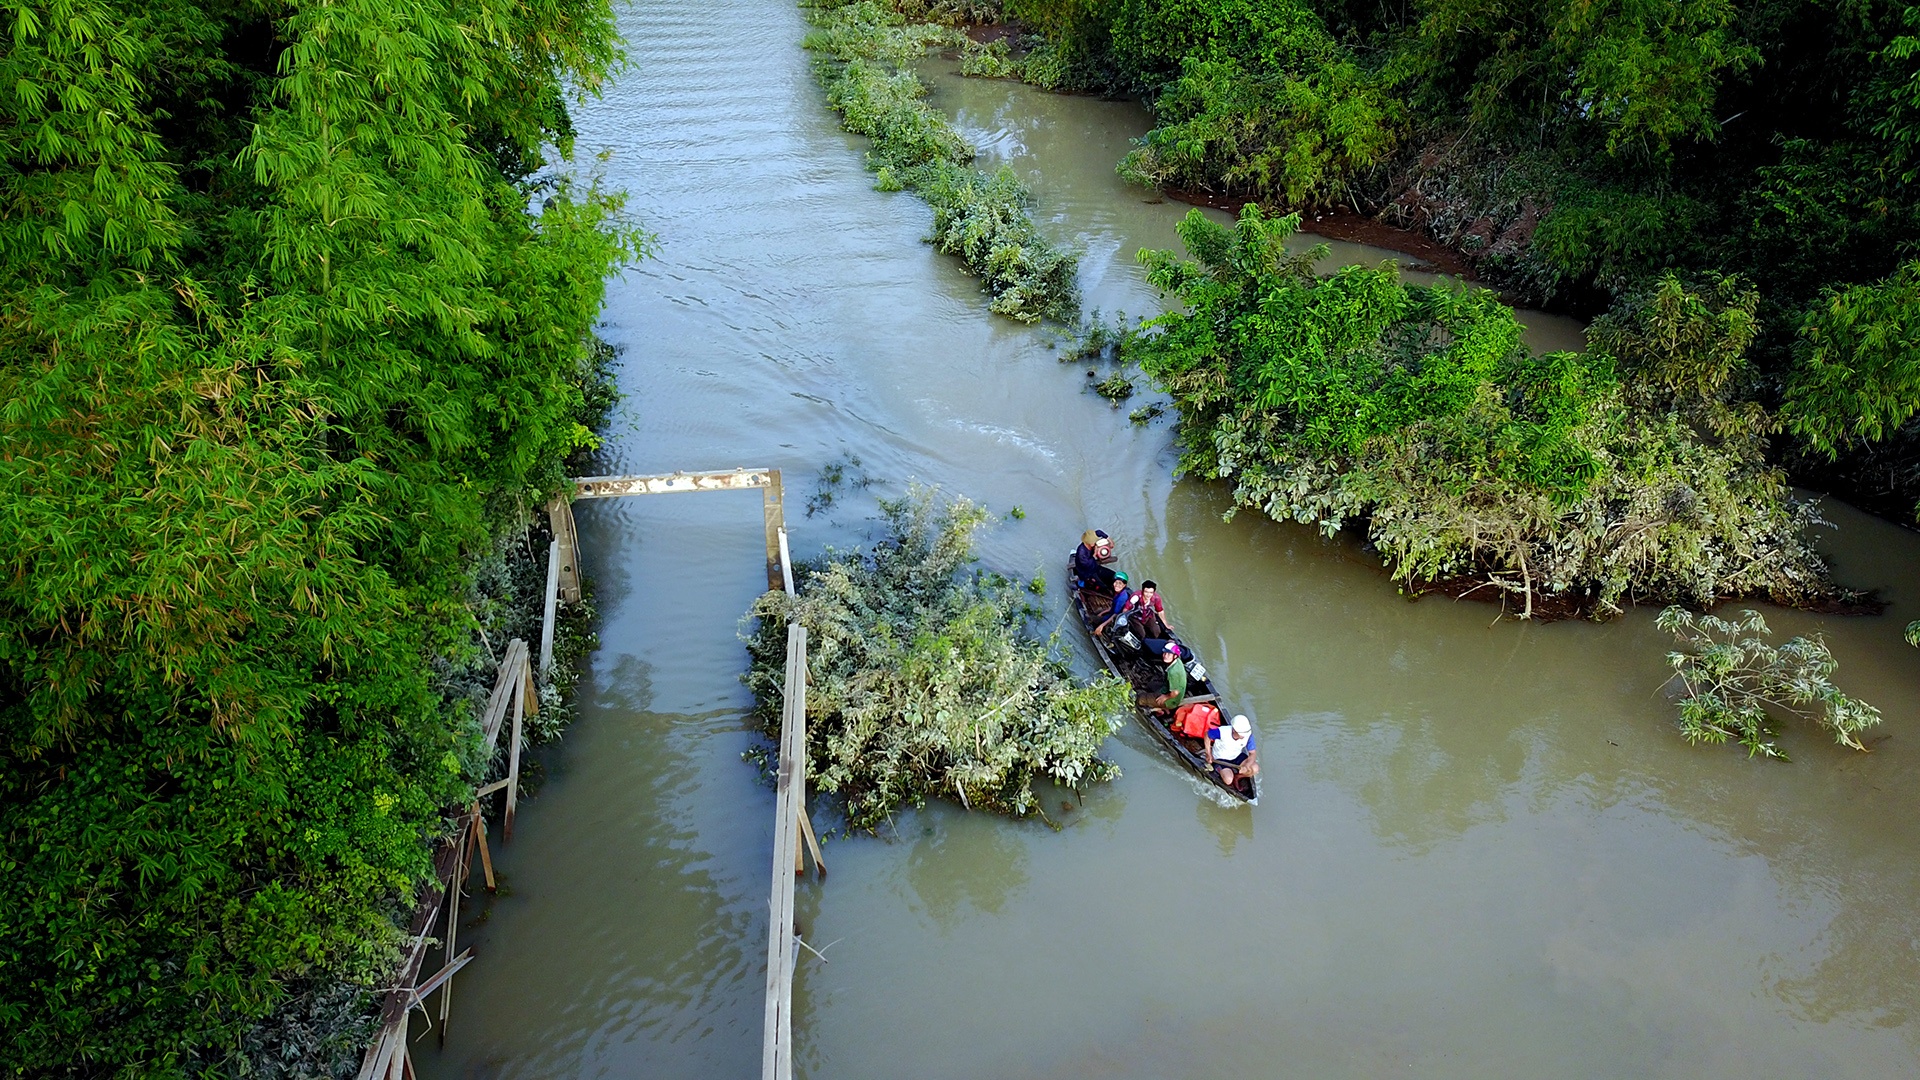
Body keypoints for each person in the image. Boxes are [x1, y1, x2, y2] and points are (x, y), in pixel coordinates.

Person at [1205, 714, 1257, 787]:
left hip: (1236, 756)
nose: (1243, 736)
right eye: (1241, 734)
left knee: (1254, 768)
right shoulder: (1222, 732)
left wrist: (1247, 765)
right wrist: (1208, 754)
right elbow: (1207, 735)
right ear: (1234, 730)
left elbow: (1253, 753)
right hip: (1220, 758)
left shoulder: (1248, 735)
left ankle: (1237, 777)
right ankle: (1224, 772)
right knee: (1228, 780)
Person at [1137, 639, 1187, 712]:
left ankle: (1160, 708)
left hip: (1171, 700)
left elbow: (1175, 692)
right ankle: (1160, 707)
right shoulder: (1177, 660)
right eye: (1165, 653)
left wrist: (1166, 697)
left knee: (1140, 699)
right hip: (1168, 689)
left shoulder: (1173, 673)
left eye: (1169, 654)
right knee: (1150, 685)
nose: (1165, 656)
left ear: (1175, 656)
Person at [1092, 572, 1135, 636]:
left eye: (1120, 583)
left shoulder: (1121, 598)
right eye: (1116, 582)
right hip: (1112, 611)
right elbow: (1114, 607)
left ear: (1124, 585)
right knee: (1097, 612)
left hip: (1114, 618)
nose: (1117, 585)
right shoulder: (1120, 592)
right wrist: (1102, 612)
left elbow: (1115, 614)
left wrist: (1102, 625)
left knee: (1092, 619)